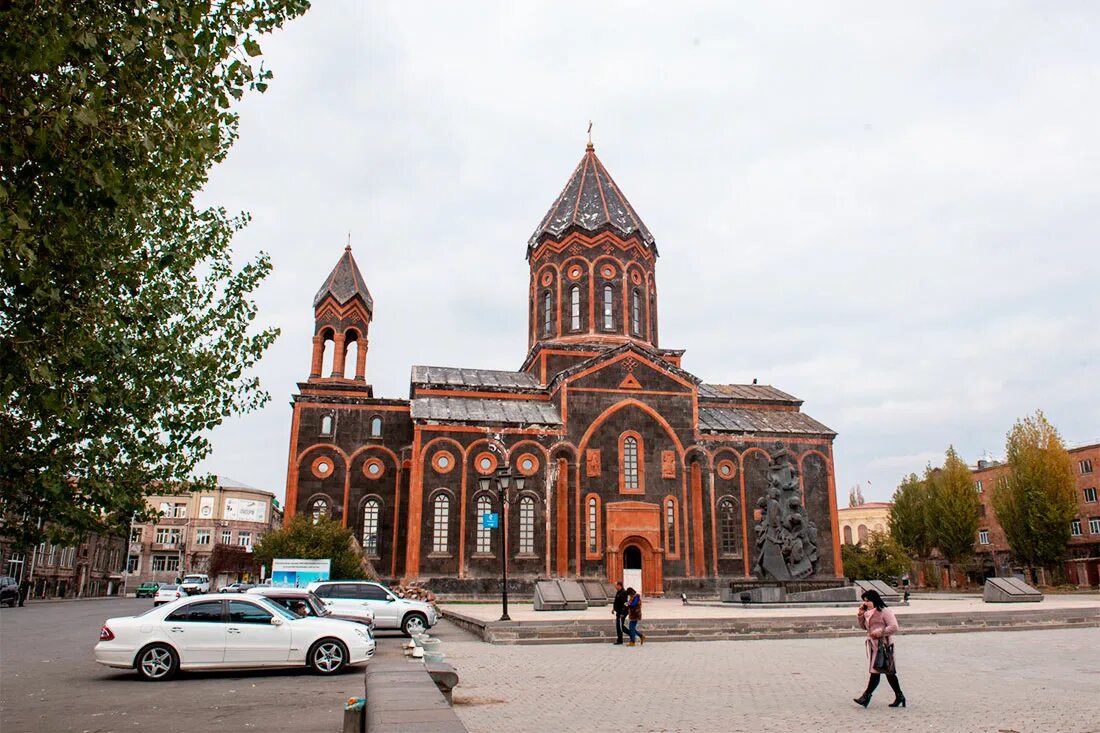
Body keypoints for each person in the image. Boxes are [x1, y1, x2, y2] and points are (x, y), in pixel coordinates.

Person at [853, 589, 905, 708]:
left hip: (884, 646)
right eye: (864, 601)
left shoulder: (884, 611)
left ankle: (866, 697)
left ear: (874, 600)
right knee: (887, 672)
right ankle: (899, 696)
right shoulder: (868, 613)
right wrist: (860, 614)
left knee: (876, 671)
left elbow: (894, 627)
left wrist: (879, 632)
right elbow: (863, 627)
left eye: (868, 601)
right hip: (874, 646)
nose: (866, 603)